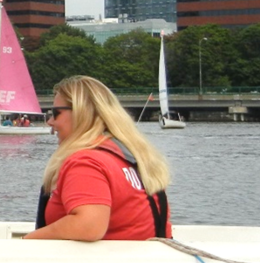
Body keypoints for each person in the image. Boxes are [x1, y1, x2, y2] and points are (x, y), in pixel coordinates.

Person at [23, 75, 172, 241]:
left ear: (81, 113)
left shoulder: (87, 162)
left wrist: (28, 241)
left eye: (55, 113)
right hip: (146, 262)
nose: (50, 121)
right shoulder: (134, 158)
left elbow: (89, 225)